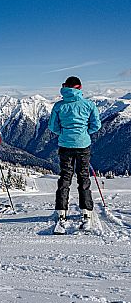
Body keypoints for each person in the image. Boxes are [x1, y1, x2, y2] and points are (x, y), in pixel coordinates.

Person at [48, 76, 101, 231]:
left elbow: (53, 126)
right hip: (83, 145)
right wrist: (84, 133)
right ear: (80, 87)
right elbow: (96, 125)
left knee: (65, 177)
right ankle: (86, 211)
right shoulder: (89, 104)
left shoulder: (59, 105)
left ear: (65, 87)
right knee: (83, 176)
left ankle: (61, 211)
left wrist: (64, 133)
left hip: (65, 145)